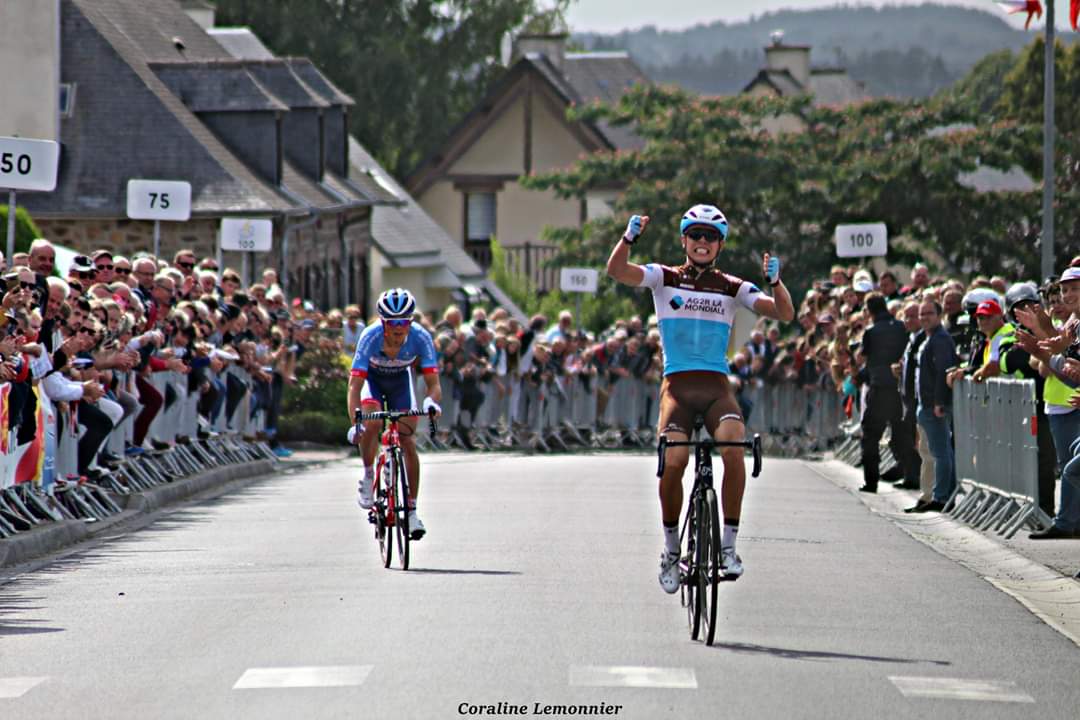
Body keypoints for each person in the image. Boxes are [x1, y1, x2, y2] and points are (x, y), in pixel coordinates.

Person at [605, 204, 793, 593]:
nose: (702, 242)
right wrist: (628, 239)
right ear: (684, 240)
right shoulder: (665, 277)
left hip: (716, 389)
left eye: (710, 236)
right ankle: (672, 549)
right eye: (695, 235)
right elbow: (617, 271)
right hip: (677, 388)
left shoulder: (731, 286)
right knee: (674, 461)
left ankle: (728, 548)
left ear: (720, 245)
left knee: (734, 448)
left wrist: (776, 282)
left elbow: (784, 313)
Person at [347, 288, 442, 540]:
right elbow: (354, 385)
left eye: (404, 322)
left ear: (410, 322)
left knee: (407, 439)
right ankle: (368, 474)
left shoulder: (421, 337)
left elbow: (433, 382)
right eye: (392, 323)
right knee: (372, 422)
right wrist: (355, 422)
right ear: (383, 322)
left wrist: (431, 401)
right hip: (373, 381)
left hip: (401, 382)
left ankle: (411, 512)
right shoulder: (370, 336)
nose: (398, 329)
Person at [857, 292, 912, 493]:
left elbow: (865, 357)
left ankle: (871, 481)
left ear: (870, 310)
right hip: (900, 387)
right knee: (901, 433)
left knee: (871, 436)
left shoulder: (871, 331)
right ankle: (911, 475)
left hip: (879, 388)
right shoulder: (901, 327)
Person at [914, 299, 957, 512]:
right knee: (936, 452)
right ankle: (938, 496)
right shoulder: (929, 338)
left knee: (941, 453)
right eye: (922, 314)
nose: (924, 318)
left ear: (939, 315)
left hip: (934, 406)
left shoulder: (940, 339)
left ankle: (941, 498)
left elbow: (943, 371)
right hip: (926, 404)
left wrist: (939, 402)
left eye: (929, 313)